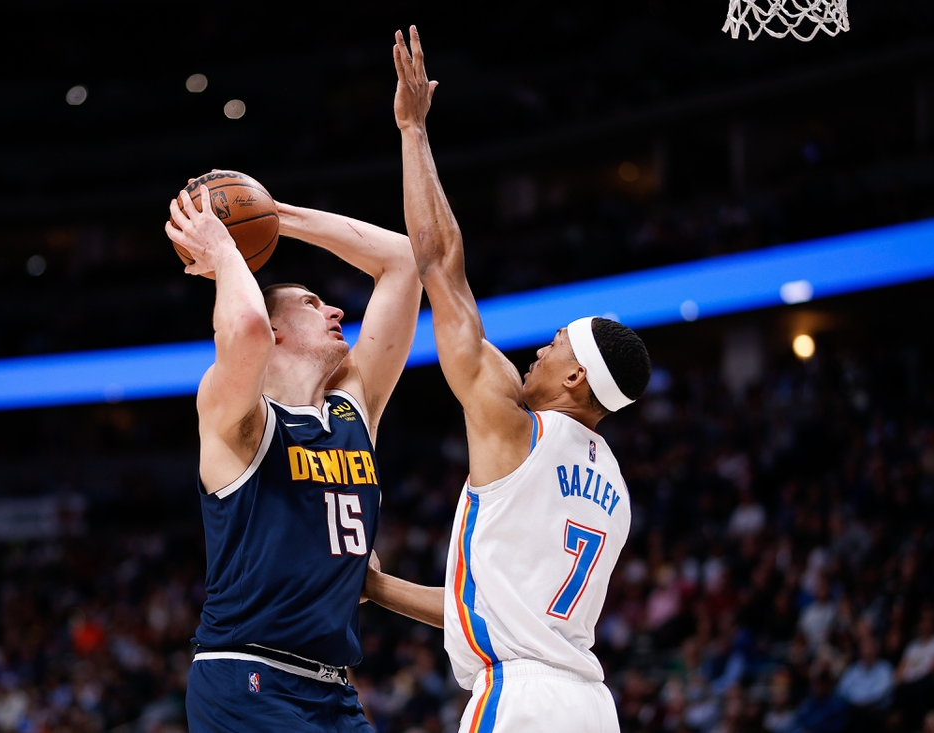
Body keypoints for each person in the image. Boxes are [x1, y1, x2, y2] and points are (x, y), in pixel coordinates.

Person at [363, 27, 652, 732]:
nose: (536, 355)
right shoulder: (614, 489)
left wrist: (411, 130)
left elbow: (439, 264)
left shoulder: (511, 422)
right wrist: (376, 587)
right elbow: (489, 610)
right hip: (588, 705)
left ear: (578, 377)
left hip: (520, 700)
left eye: (554, 347)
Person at [165, 184, 421, 732]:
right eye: (311, 302)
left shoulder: (354, 411)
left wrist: (275, 216)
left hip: (332, 686)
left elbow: (400, 260)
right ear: (278, 330)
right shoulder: (238, 417)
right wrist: (225, 249)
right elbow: (248, 330)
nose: (334, 310)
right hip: (248, 677)